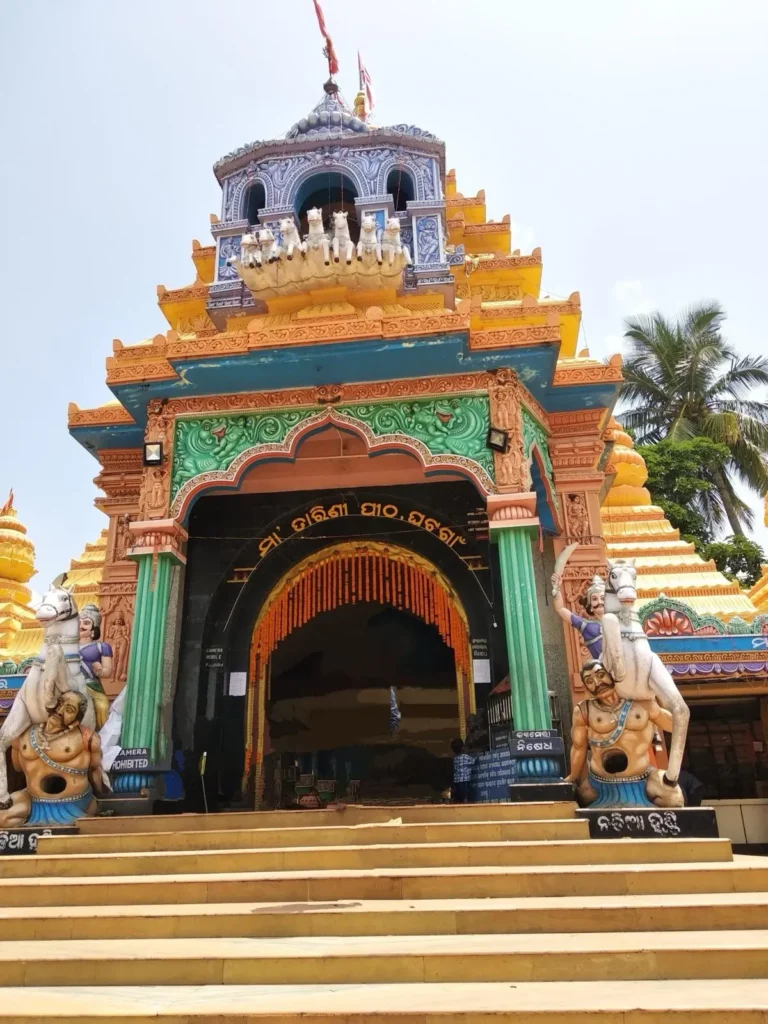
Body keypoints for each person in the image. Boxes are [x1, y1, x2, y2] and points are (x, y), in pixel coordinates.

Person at [565, 660, 683, 808]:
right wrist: (573, 777)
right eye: (589, 681)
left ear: (613, 674)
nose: (597, 683)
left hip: (644, 778)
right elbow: (578, 746)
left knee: (672, 798)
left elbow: (676, 726)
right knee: (581, 797)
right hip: (599, 784)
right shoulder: (583, 711)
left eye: (601, 675)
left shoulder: (643, 703)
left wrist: (672, 703)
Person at [0, 690, 105, 828]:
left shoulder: (88, 739)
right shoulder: (23, 734)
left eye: (69, 709)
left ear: (76, 720)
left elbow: (95, 771)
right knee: (2, 819)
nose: (60, 710)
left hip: (73, 804)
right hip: (34, 800)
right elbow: (17, 768)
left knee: (85, 826)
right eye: (60, 703)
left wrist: (103, 798)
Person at [551, 572, 604, 660]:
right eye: (595, 599)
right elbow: (560, 608)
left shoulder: (619, 621)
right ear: (590, 607)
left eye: (603, 598)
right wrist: (557, 589)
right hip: (603, 669)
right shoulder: (586, 625)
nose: (600, 602)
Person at [78, 604, 112, 729]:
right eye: (79, 622)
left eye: (86, 623)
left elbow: (108, 672)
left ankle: (101, 736)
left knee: (102, 706)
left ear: (94, 628)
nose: (81, 626)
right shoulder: (67, 646)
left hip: (90, 685)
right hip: (70, 683)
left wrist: (100, 671)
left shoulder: (102, 647)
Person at [450, 738, 475, 804]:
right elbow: (474, 761)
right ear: (463, 748)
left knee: (458, 796)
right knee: (465, 795)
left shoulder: (455, 759)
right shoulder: (465, 757)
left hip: (456, 781)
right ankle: (465, 803)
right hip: (464, 781)